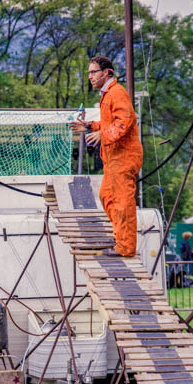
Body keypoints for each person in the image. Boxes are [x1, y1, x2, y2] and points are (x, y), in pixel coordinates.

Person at [71, 56, 143, 258]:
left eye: (93, 72)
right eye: (89, 73)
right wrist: (90, 126)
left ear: (107, 73)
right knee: (107, 196)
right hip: (113, 158)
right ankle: (121, 238)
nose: (90, 76)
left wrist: (102, 135)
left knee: (122, 202)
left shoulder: (117, 92)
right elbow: (110, 123)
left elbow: (124, 122)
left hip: (124, 157)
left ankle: (125, 246)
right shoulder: (107, 94)